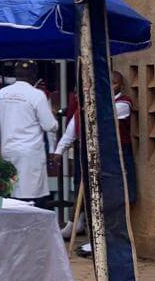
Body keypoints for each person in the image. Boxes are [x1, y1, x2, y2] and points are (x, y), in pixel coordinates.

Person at [51, 70, 137, 256]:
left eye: (114, 84)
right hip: (92, 160)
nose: (110, 87)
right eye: (108, 84)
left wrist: (88, 104)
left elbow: (106, 118)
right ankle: (95, 240)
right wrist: (59, 151)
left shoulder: (123, 103)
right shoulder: (86, 107)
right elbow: (71, 131)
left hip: (115, 159)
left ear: (120, 85)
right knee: (93, 200)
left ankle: (111, 242)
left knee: (114, 201)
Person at [0, 60, 59, 206]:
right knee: (32, 198)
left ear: (15, 74)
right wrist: (55, 120)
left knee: (12, 194)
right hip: (31, 153)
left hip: (8, 150)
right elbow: (48, 125)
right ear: (34, 75)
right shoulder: (37, 95)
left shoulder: (1, 93)